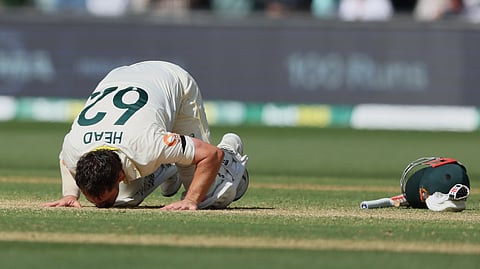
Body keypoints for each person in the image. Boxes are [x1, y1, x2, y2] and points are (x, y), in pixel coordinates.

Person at [44, 60, 249, 210]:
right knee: (123, 200)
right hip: (121, 76)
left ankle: (230, 151)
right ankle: (168, 164)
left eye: (103, 201)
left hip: (172, 81)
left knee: (210, 197)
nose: (101, 207)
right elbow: (65, 158)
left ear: (120, 174)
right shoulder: (75, 148)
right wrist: (70, 194)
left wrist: (191, 200)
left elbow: (210, 155)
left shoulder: (147, 145)